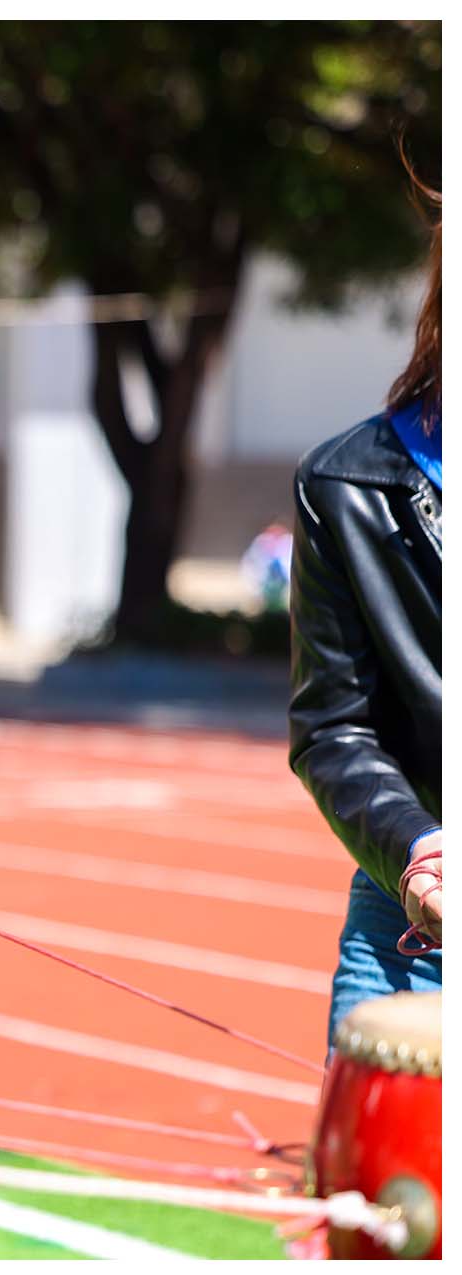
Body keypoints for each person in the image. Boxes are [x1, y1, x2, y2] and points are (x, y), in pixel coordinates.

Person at [289, 176, 442, 1046]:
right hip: (415, 923)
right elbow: (333, 727)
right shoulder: (345, 483)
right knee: (371, 1141)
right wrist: (419, 848)